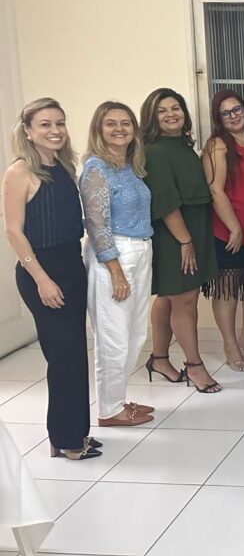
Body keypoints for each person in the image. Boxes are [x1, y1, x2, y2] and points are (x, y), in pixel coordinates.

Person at [2, 99, 97, 460]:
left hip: (71, 265)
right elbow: (14, 231)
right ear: (27, 131)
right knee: (63, 357)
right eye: (45, 124)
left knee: (74, 353)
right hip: (42, 271)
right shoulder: (19, 172)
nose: (55, 131)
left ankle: (72, 433)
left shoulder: (64, 166)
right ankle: (68, 440)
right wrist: (42, 279)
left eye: (60, 123)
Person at [141, 88, 221, 394]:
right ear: (152, 117)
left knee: (168, 298)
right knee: (185, 301)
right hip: (176, 233)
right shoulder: (154, 151)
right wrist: (185, 241)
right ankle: (195, 366)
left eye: (175, 108)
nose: (171, 114)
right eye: (162, 111)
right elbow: (165, 202)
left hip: (192, 229)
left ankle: (159, 359)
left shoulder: (183, 147)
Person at [80, 102, 155, 427]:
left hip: (140, 250)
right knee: (114, 338)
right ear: (99, 129)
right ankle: (109, 410)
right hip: (114, 257)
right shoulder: (96, 168)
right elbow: (96, 225)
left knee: (135, 334)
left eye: (125, 123)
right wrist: (115, 271)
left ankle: (118, 399)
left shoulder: (130, 166)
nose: (119, 129)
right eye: (111, 123)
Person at [202, 90, 244, 372]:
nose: (233, 116)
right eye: (226, 113)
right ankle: (230, 344)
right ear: (219, 118)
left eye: (237, 109)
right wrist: (235, 228)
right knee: (228, 289)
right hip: (228, 230)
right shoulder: (217, 146)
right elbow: (215, 191)